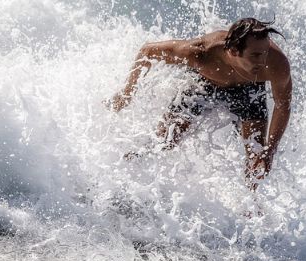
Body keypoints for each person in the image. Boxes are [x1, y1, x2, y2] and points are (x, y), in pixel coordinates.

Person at [111, 18, 292, 191]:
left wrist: (270, 149)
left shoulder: (277, 64)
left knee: (257, 157)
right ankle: (126, 169)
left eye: (266, 52)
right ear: (234, 51)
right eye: (255, 55)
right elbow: (148, 51)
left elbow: (283, 105)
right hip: (204, 86)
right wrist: (127, 93)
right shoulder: (201, 52)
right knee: (166, 141)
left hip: (249, 92)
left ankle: (250, 208)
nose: (263, 61)